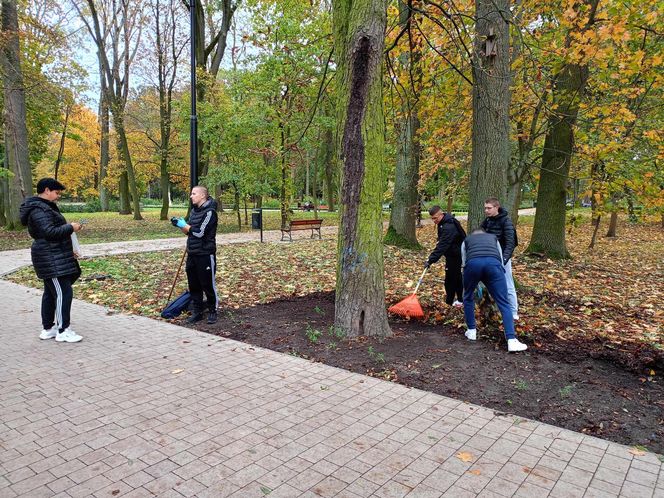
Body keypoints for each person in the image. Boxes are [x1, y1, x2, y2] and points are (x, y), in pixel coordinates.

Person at [19, 178, 84, 343]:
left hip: (54, 255)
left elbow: (51, 232)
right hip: (50, 257)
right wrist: (71, 227)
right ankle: (63, 330)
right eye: (56, 192)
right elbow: (49, 232)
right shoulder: (38, 209)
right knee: (64, 292)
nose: (57, 196)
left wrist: (70, 249)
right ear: (46, 190)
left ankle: (48, 329)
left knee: (51, 293)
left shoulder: (43, 207)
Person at [461, 229, 527, 352]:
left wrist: (469, 278)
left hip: (473, 265)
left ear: (473, 234)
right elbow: (501, 258)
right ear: (484, 234)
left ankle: (471, 331)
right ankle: (511, 340)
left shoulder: (466, 240)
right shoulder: (493, 238)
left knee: (468, 296)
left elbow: (464, 261)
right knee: (503, 302)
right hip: (493, 265)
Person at [171, 186, 219, 324]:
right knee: (194, 285)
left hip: (205, 254)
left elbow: (199, 233)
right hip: (192, 253)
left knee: (207, 284)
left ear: (203, 196)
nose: (191, 196)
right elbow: (188, 232)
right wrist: (180, 225)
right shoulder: (193, 211)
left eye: (194, 193)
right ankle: (197, 311)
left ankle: (212, 311)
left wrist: (186, 226)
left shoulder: (210, 213)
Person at [481, 197, 519, 319]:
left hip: (502, 258)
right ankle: (494, 309)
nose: (486, 210)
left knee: (508, 284)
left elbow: (510, 243)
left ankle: (513, 312)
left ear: (496, 207)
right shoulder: (487, 221)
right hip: (489, 257)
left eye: (489, 208)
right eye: (485, 208)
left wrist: (504, 260)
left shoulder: (506, 222)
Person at [425, 205, 465, 307]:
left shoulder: (449, 226)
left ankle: (453, 301)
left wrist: (430, 260)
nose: (434, 220)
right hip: (452, 253)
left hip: (456, 254)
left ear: (441, 214)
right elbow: (442, 242)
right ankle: (455, 300)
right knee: (454, 277)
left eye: (435, 218)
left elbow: (443, 245)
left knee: (452, 278)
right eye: (432, 218)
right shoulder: (444, 223)